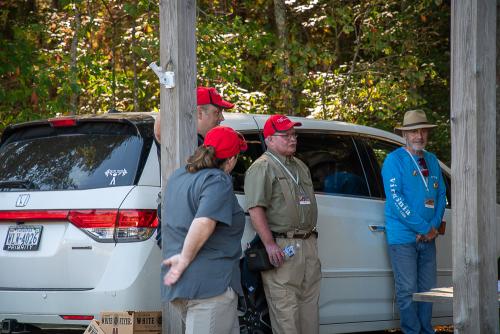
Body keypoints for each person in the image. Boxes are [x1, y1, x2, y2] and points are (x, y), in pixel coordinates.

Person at [161, 126, 247, 334]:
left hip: (184, 286)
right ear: (231, 160)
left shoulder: (179, 176)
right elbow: (204, 223)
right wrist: (184, 259)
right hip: (210, 288)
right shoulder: (218, 180)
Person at [244, 114, 321, 334]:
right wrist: (269, 244)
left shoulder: (299, 165)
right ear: (269, 139)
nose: (292, 139)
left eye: (293, 134)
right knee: (285, 312)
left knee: (310, 309)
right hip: (283, 246)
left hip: (307, 243)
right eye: (285, 135)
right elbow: (256, 208)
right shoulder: (262, 167)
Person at [381, 109, 446, 334]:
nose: (419, 136)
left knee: (428, 290)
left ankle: (426, 330)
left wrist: (434, 227)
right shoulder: (394, 160)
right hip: (403, 238)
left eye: (423, 131)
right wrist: (424, 228)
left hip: (429, 237)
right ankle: (412, 331)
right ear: (405, 135)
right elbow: (396, 198)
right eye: (414, 131)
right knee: (408, 289)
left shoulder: (432, 160)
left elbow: (441, 197)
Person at [154, 86, 235, 248]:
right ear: (198, 113)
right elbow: (158, 129)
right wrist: (178, 92)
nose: (222, 118)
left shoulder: (209, 145)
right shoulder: (177, 140)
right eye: (217, 112)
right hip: (181, 234)